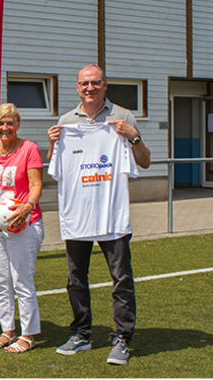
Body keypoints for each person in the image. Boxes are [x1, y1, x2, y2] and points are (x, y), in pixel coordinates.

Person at [47, 64, 151, 365]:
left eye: (95, 83)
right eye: (84, 83)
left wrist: (132, 137)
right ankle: (81, 334)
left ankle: (122, 338)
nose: (89, 88)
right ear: (77, 87)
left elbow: (144, 162)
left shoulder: (123, 117)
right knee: (76, 279)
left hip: (112, 218)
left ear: (105, 85)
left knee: (121, 279)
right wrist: (54, 144)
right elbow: (54, 168)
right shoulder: (66, 122)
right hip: (77, 218)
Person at [0, 103, 44, 354]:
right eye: (0, 123)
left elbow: (37, 185)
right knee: (0, 280)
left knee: (22, 279)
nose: (5, 128)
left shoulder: (30, 149)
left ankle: (28, 335)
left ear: (18, 125)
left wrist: (27, 206)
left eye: (10, 123)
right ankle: (7, 331)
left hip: (24, 224)